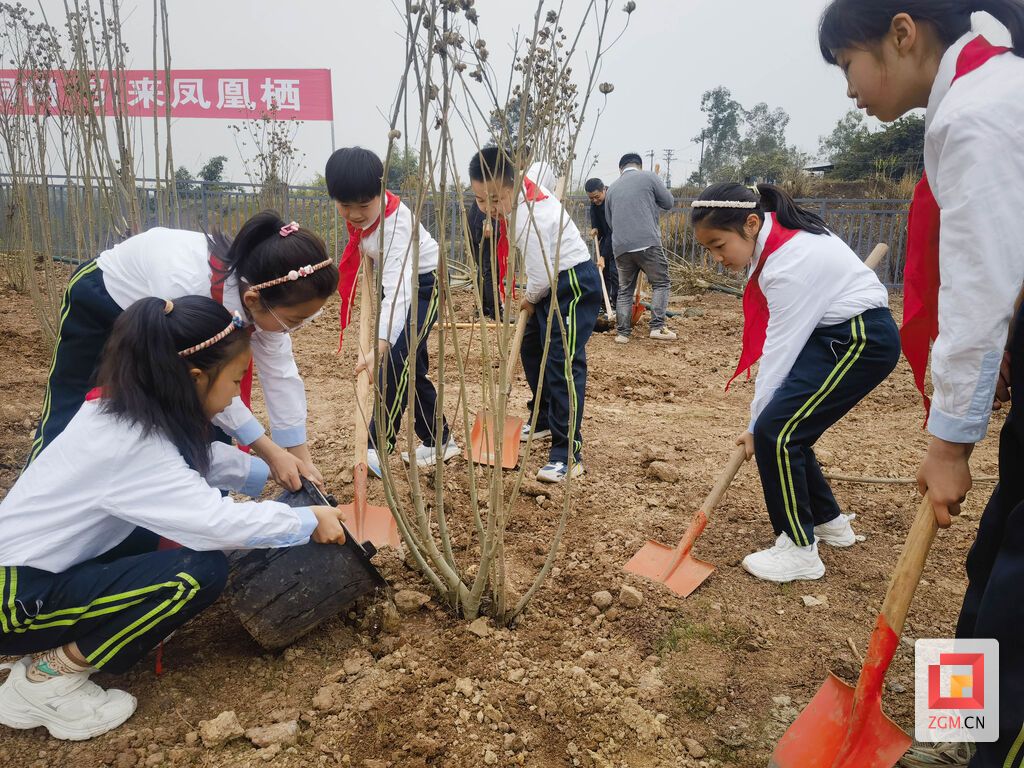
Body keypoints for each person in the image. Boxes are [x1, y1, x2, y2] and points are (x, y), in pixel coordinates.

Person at [820, 1, 1024, 764]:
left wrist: (949, 444)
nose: (848, 90)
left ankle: (991, 754)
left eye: (848, 65)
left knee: (1015, 605)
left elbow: (977, 287)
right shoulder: (982, 96)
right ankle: (959, 735)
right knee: (990, 566)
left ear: (902, 35)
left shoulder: (979, 112)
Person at [0, 296, 349, 740]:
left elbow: (188, 458)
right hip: (14, 601)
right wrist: (306, 522)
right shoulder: (131, 445)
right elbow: (215, 523)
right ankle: (47, 680)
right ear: (195, 377)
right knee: (195, 573)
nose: (235, 394)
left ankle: (52, 653)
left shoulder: (121, 410)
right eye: (235, 380)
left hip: (27, 578)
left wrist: (270, 469)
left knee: (165, 548)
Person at [27, 212, 338, 491]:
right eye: (294, 320)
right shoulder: (187, 287)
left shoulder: (263, 296)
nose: (296, 328)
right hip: (105, 304)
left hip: (174, 327)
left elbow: (280, 374)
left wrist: (299, 457)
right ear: (253, 300)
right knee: (79, 412)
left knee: (200, 419)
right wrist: (270, 453)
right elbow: (202, 382)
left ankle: (189, 509)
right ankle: (39, 492)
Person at [692, 182, 900, 583]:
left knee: (777, 432)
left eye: (718, 245)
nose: (716, 258)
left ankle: (799, 550)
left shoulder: (790, 261)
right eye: (708, 250)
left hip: (860, 340)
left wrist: (757, 424)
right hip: (832, 334)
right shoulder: (779, 242)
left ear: (751, 224)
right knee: (789, 428)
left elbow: (780, 352)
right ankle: (827, 522)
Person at [469, 146, 602, 483]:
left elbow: (540, 276)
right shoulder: (520, 191)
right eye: (481, 200)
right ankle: (543, 418)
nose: (488, 208)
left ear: (513, 185)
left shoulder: (529, 217)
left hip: (572, 283)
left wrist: (529, 299)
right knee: (530, 345)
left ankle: (567, 453)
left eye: (495, 199)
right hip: (550, 281)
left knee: (561, 363)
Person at [326, 147, 458, 477]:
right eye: (345, 205)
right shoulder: (366, 219)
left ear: (381, 192)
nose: (354, 214)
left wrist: (381, 343)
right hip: (396, 286)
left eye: (363, 205)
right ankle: (438, 440)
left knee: (395, 362)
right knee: (410, 367)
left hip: (422, 287)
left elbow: (400, 294)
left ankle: (377, 447)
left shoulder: (395, 226)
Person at [604, 153, 677, 343]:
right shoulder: (649, 177)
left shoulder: (611, 188)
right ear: (639, 165)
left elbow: (610, 222)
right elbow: (668, 203)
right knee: (661, 283)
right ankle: (657, 327)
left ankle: (622, 333)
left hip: (621, 246)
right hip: (647, 243)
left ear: (621, 169)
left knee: (624, 290)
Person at [585, 178, 618, 315]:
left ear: (604, 189)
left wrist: (603, 256)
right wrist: (595, 228)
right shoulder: (595, 202)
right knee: (602, 272)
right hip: (606, 237)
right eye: (591, 198)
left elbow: (612, 231)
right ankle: (604, 304)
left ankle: (617, 306)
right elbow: (594, 214)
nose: (594, 200)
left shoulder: (612, 200)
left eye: (597, 197)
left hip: (618, 237)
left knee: (615, 272)